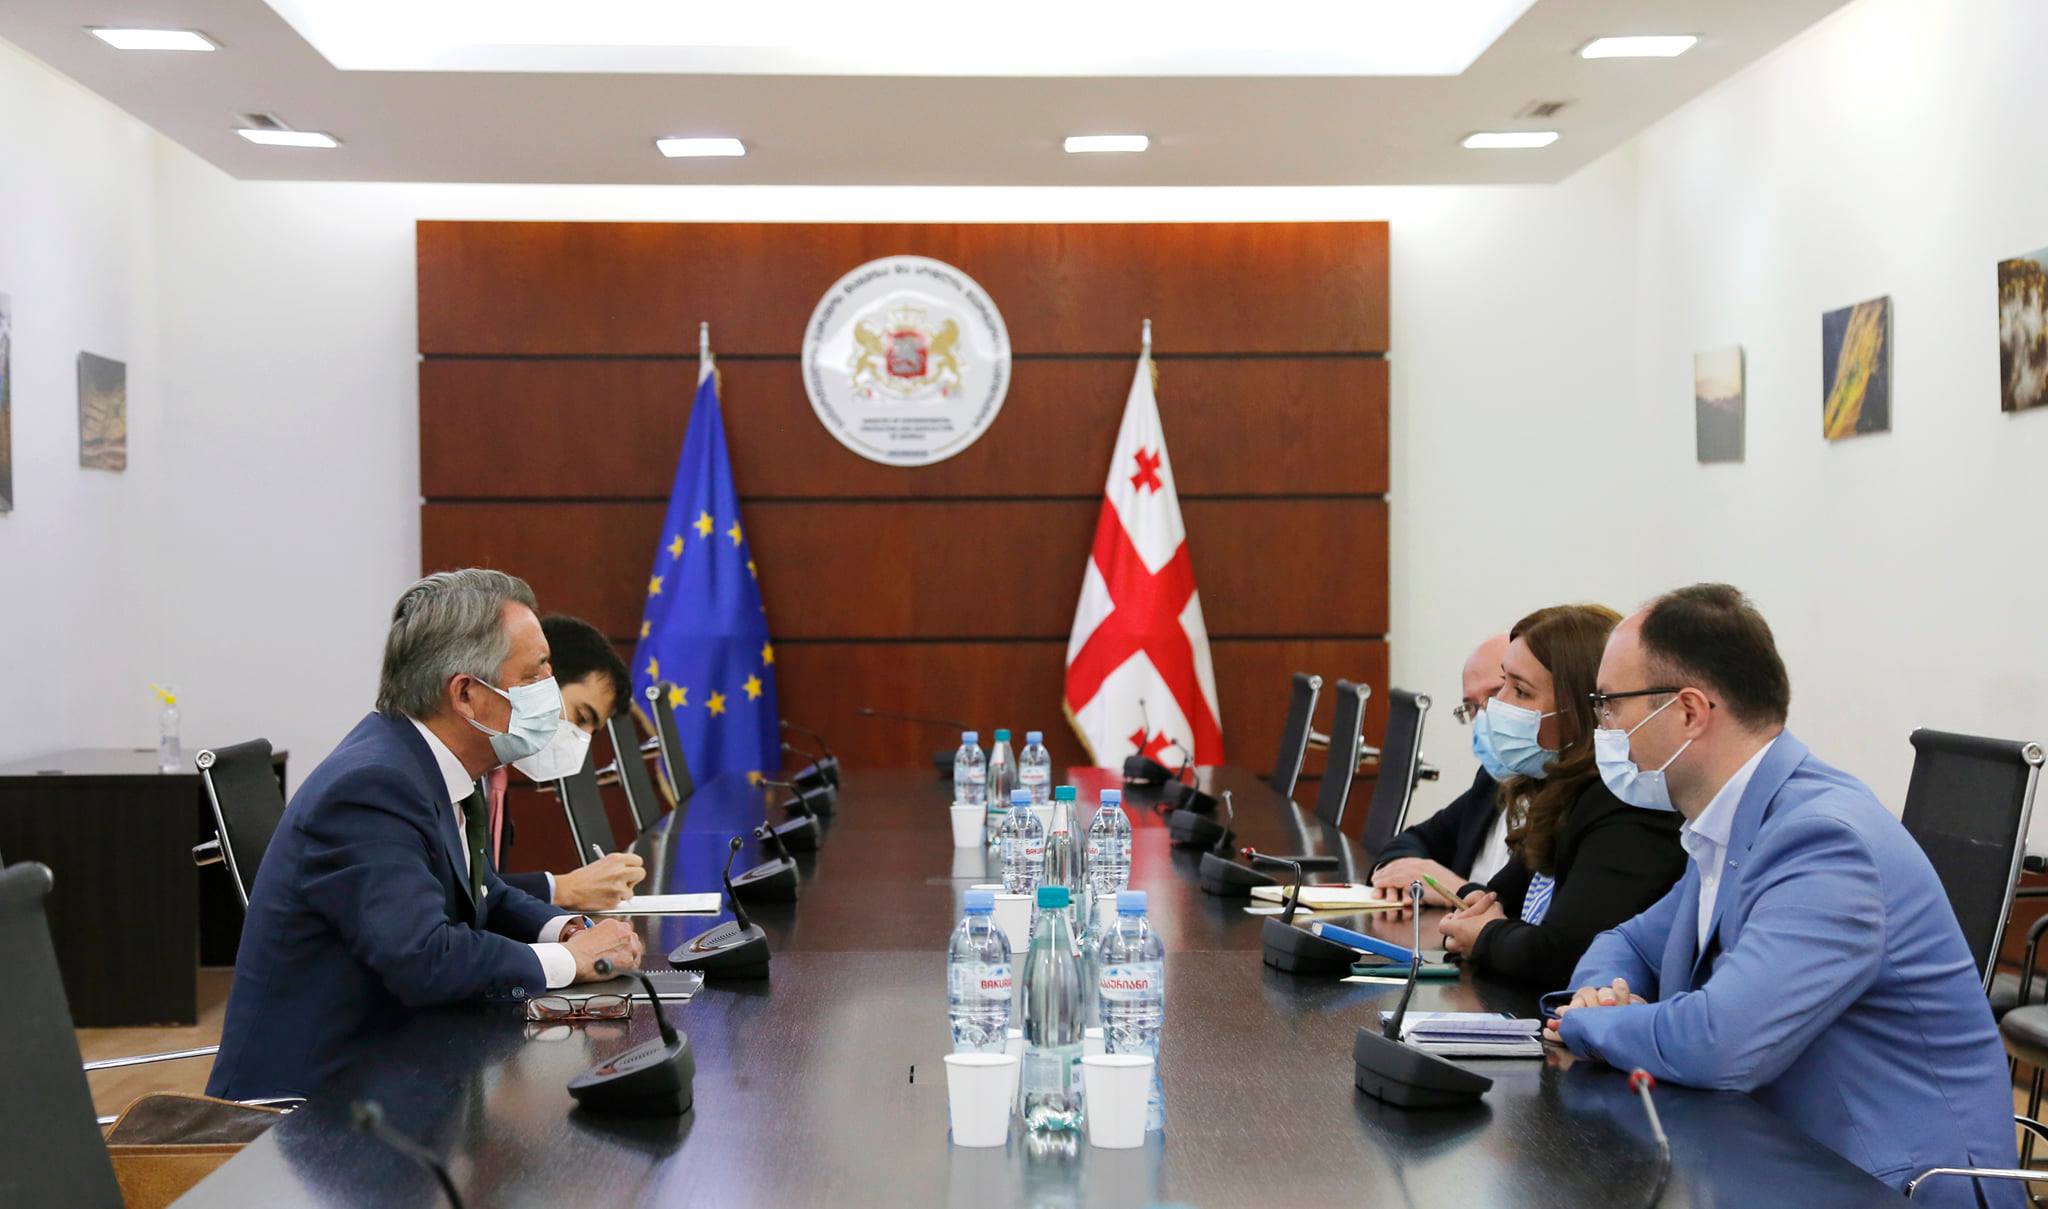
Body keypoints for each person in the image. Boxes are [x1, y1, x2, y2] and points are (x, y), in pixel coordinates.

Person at [1550, 584, 2020, 1206]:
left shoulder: (1824, 841)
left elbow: (1721, 1042)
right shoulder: (1737, 823)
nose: (1603, 727)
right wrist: (1602, 992)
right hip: (1778, 1157)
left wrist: (1593, 1023)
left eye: (1609, 704)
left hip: (1889, 1187)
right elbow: (1628, 943)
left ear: (1689, 712)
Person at [207, 570, 644, 1100]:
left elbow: (485, 893)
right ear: (466, 694)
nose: (549, 692)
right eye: (535, 675)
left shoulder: (441, 764)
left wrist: (567, 930)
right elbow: (423, 957)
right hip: (312, 1112)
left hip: (399, 1072)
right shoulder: (372, 786)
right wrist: (570, 962)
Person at [1435, 604, 1686, 987]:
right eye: (1503, 684)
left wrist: (1485, 936)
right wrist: (1475, 916)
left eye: (1520, 691)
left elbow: (1562, 955)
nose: (1497, 706)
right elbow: (1497, 900)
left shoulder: (1627, 803)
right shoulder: (1558, 790)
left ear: (1580, 709)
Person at [483, 614, 647, 911]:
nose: (580, 741)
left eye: (591, 732)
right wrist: (562, 889)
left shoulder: (497, 776)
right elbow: (458, 896)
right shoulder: (460, 772)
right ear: (539, 679)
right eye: (581, 717)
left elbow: (486, 892)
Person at [1371, 633, 1512, 906]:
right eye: (1472, 707)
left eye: (1497, 695)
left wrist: (1457, 889)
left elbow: (1531, 919)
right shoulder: (1493, 779)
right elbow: (1411, 840)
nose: (1484, 716)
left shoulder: (1564, 800)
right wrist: (1397, 875)